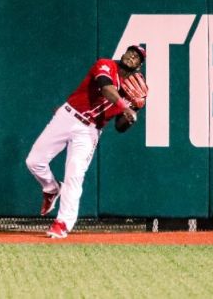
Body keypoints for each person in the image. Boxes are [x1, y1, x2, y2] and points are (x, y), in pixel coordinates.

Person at [25, 44, 146, 239]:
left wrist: (133, 114)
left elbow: (119, 127)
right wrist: (126, 106)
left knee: (75, 173)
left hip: (89, 131)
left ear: (138, 66)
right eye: (130, 53)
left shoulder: (132, 91)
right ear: (123, 54)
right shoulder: (106, 65)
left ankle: (63, 223)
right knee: (34, 161)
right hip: (68, 115)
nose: (132, 57)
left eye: (137, 58)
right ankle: (51, 188)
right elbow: (106, 89)